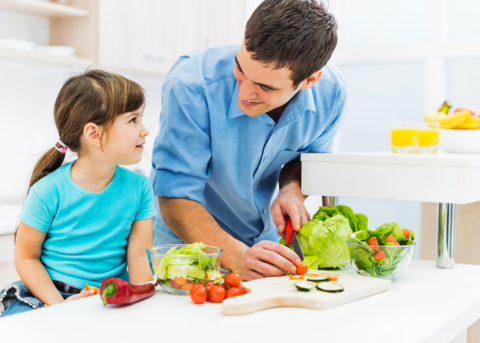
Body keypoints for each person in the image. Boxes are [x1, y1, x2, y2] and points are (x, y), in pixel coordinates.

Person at [151, 0, 347, 280]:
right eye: (240, 70)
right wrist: (236, 256)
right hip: (188, 248)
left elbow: (308, 160)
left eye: (265, 87)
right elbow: (175, 195)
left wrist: (291, 189)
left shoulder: (332, 94)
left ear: (309, 80)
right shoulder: (191, 84)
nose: (245, 93)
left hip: (262, 244)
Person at [0, 70, 156, 317]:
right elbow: (27, 258)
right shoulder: (48, 191)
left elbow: (138, 257)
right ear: (93, 134)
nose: (145, 130)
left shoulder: (140, 188)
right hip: (49, 297)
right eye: (133, 120)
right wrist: (60, 309)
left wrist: (145, 308)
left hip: (109, 298)